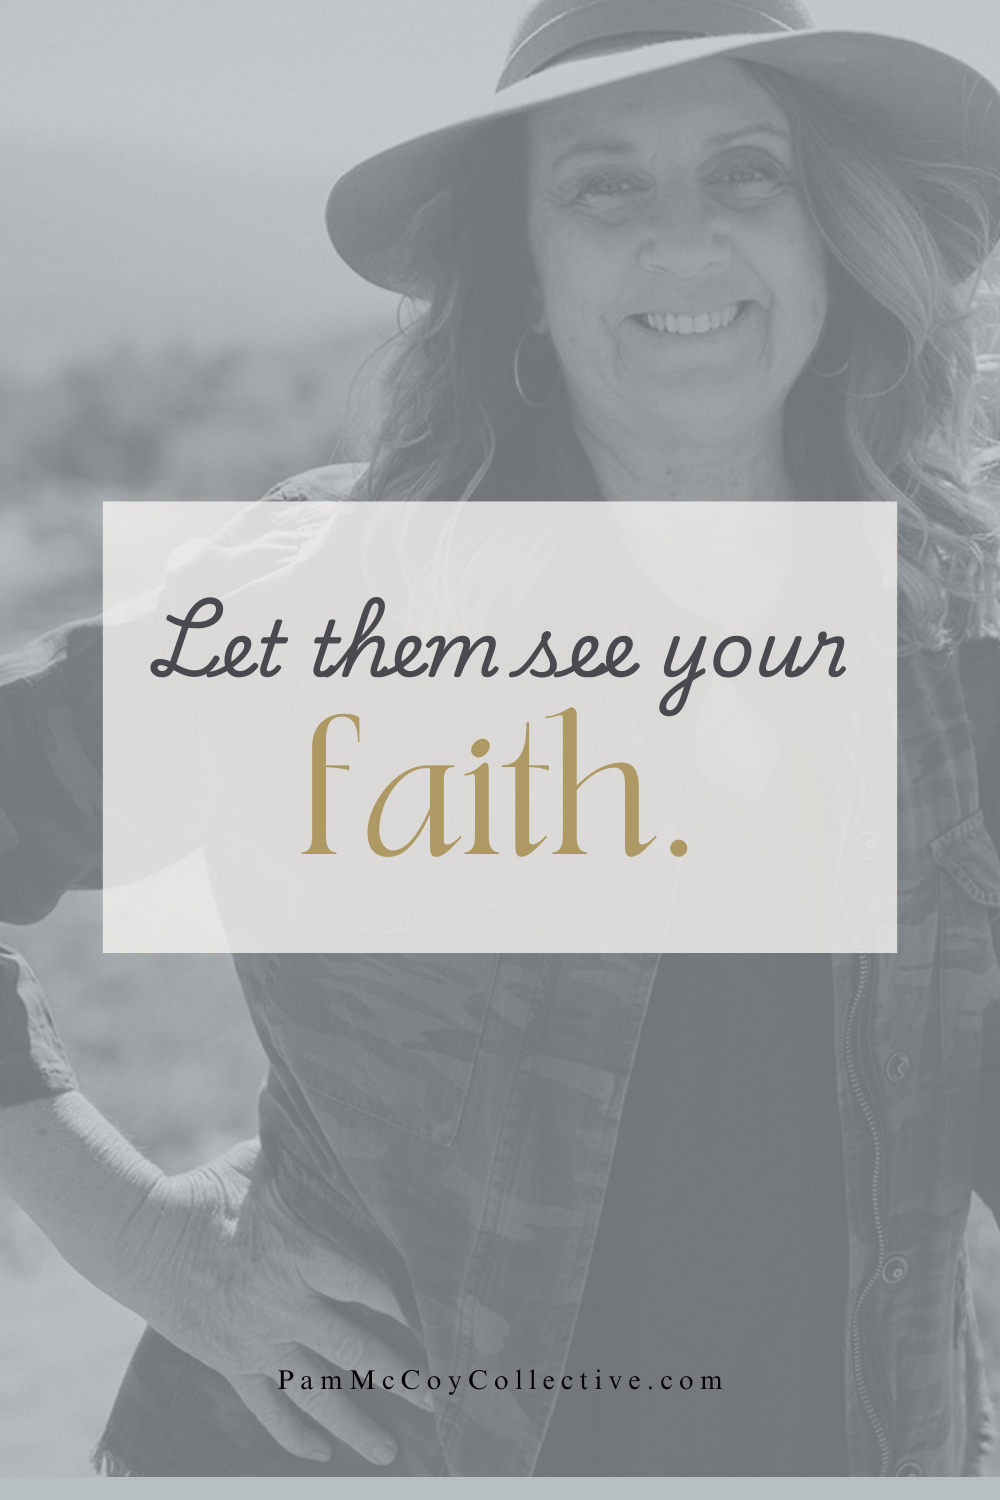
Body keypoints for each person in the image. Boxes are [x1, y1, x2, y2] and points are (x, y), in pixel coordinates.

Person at [2, 0, 1000, 1478]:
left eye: (748, 172)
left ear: (831, 233)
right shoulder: (334, 605)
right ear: (521, 272)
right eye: (604, 185)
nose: (685, 237)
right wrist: (143, 1238)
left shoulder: (956, 636)